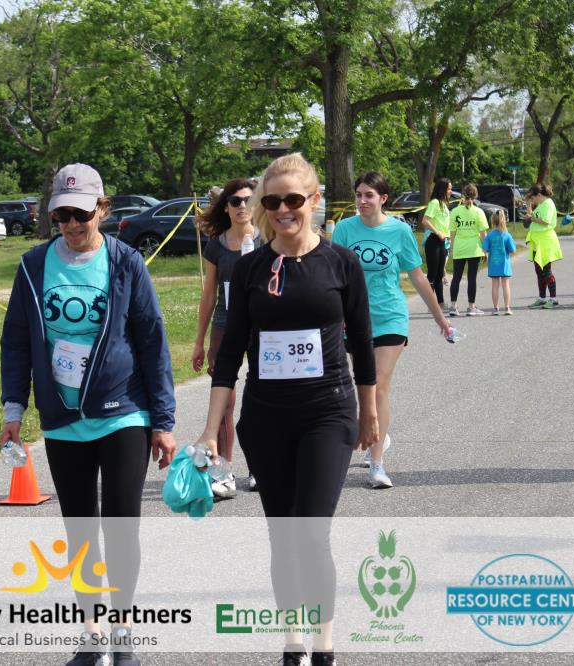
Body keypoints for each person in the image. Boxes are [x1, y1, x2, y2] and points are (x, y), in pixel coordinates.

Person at [197, 153, 377, 666]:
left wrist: (369, 412)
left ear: (314, 201)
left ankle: (324, 645)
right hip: (267, 418)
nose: (282, 210)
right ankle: (293, 641)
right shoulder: (250, 268)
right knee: (283, 535)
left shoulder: (341, 262)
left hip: (328, 412)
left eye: (293, 200)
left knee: (312, 532)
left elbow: (363, 343)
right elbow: (230, 355)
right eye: (272, 201)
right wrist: (210, 430)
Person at [0, 163, 177, 666]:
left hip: (123, 411)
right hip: (62, 416)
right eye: (62, 216)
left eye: (81, 213)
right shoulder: (33, 266)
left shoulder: (125, 262)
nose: (73, 225)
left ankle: (122, 633)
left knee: (121, 529)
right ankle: (92, 633)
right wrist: (14, 408)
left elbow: (152, 340)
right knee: (79, 533)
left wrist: (163, 421)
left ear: (102, 209)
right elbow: (16, 341)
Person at [332, 171, 450, 489]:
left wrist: (439, 317)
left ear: (383, 199)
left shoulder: (399, 231)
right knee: (364, 386)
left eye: (368, 195)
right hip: (355, 319)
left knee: (379, 384)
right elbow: (334, 275)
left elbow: (417, 276)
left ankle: (377, 464)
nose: (362, 200)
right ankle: (377, 435)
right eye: (358, 194)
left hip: (390, 317)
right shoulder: (344, 229)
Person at [192, 178, 261, 497]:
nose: (242, 206)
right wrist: (199, 341)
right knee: (223, 402)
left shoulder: (268, 239)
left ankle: (260, 467)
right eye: (235, 201)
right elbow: (209, 295)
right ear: (226, 208)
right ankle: (223, 471)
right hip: (225, 325)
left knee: (262, 400)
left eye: (248, 200)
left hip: (261, 327)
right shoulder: (217, 245)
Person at [446, 183, 489, 316]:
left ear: (463, 196)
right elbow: (483, 234)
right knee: (471, 278)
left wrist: (451, 248)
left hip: (459, 248)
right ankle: (471, 307)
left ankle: (453, 306)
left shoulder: (455, 211)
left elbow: (452, 232)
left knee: (456, 277)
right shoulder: (479, 212)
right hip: (474, 249)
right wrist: (486, 250)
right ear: (475, 196)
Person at [524, 183, 563, 309]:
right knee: (539, 271)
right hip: (537, 242)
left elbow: (545, 221)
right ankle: (542, 298)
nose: (533, 200)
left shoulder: (548, 204)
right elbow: (532, 217)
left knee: (546, 271)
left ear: (539, 195)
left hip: (546, 241)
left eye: (533, 198)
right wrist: (528, 206)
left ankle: (554, 299)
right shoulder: (540, 204)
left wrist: (532, 218)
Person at [420, 177, 452, 307]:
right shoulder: (434, 203)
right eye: (449, 189)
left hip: (442, 242)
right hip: (433, 240)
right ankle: (430, 304)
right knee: (432, 274)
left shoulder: (443, 204)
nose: (450, 191)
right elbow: (425, 221)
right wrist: (438, 232)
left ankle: (440, 303)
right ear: (442, 189)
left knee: (440, 274)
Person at [482, 210, 516, 315]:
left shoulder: (490, 235)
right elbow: (513, 250)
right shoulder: (507, 235)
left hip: (493, 264)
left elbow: (484, 249)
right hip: (505, 264)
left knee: (495, 286)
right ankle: (507, 308)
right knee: (506, 285)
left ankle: (496, 308)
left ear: (493, 221)